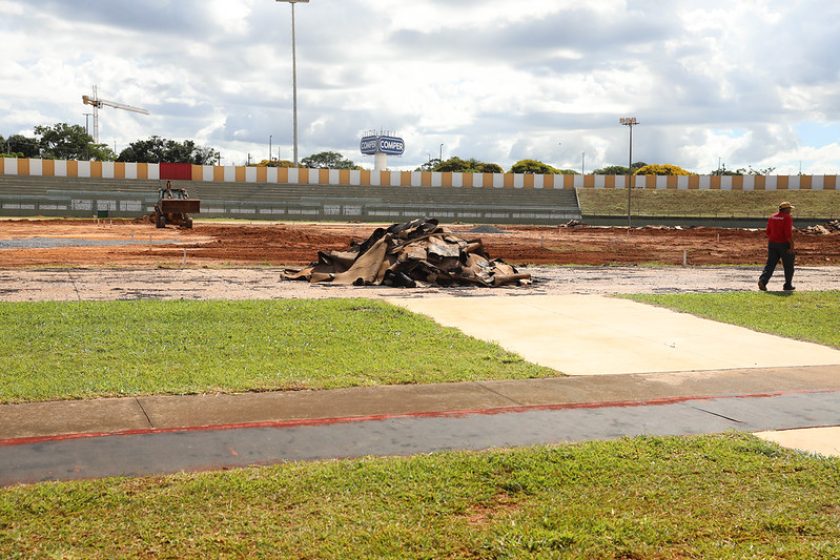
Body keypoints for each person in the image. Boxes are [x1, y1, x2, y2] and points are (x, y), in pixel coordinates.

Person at [758, 201, 795, 291]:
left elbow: (768, 231)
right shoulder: (787, 218)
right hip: (784, 244)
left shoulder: (772, 217)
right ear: (786, 209)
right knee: (788, 266)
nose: (790, 210)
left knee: (770, 264)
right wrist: (791, 246)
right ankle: (788, 285)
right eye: (789, 208)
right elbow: (788, 233)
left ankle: (763, 281)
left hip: (772, 243)